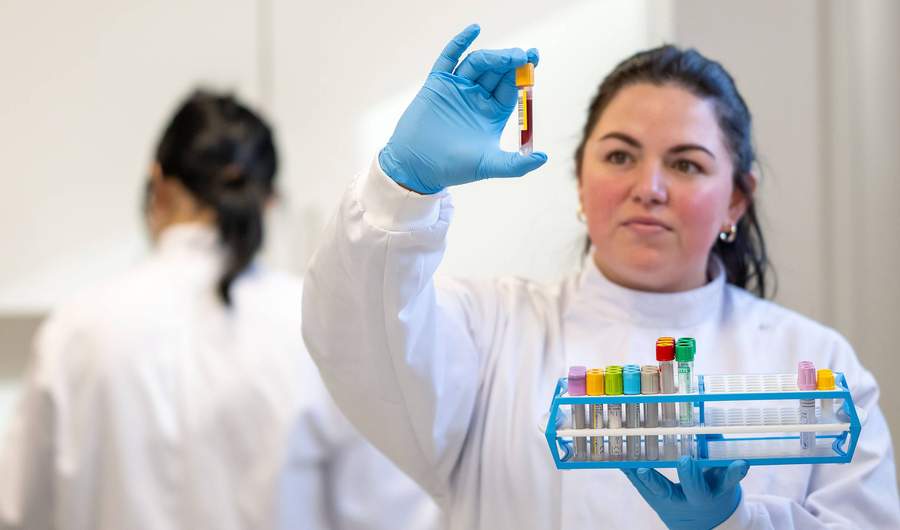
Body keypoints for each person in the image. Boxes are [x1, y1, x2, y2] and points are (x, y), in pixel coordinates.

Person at [301, 24, 900, 529]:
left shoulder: (820, 363)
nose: (649, 188)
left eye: (687, 163)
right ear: (581, 183)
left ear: (736, 202)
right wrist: (405, 185)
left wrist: (736, 522)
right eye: (619, 156)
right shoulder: (490, 331)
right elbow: (353, 335)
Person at [0, 91, 440, 530]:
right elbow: (392, 515)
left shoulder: (75, 331)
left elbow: (17, 511)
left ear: (159, 186)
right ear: (268, 201)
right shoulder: (321, 326)